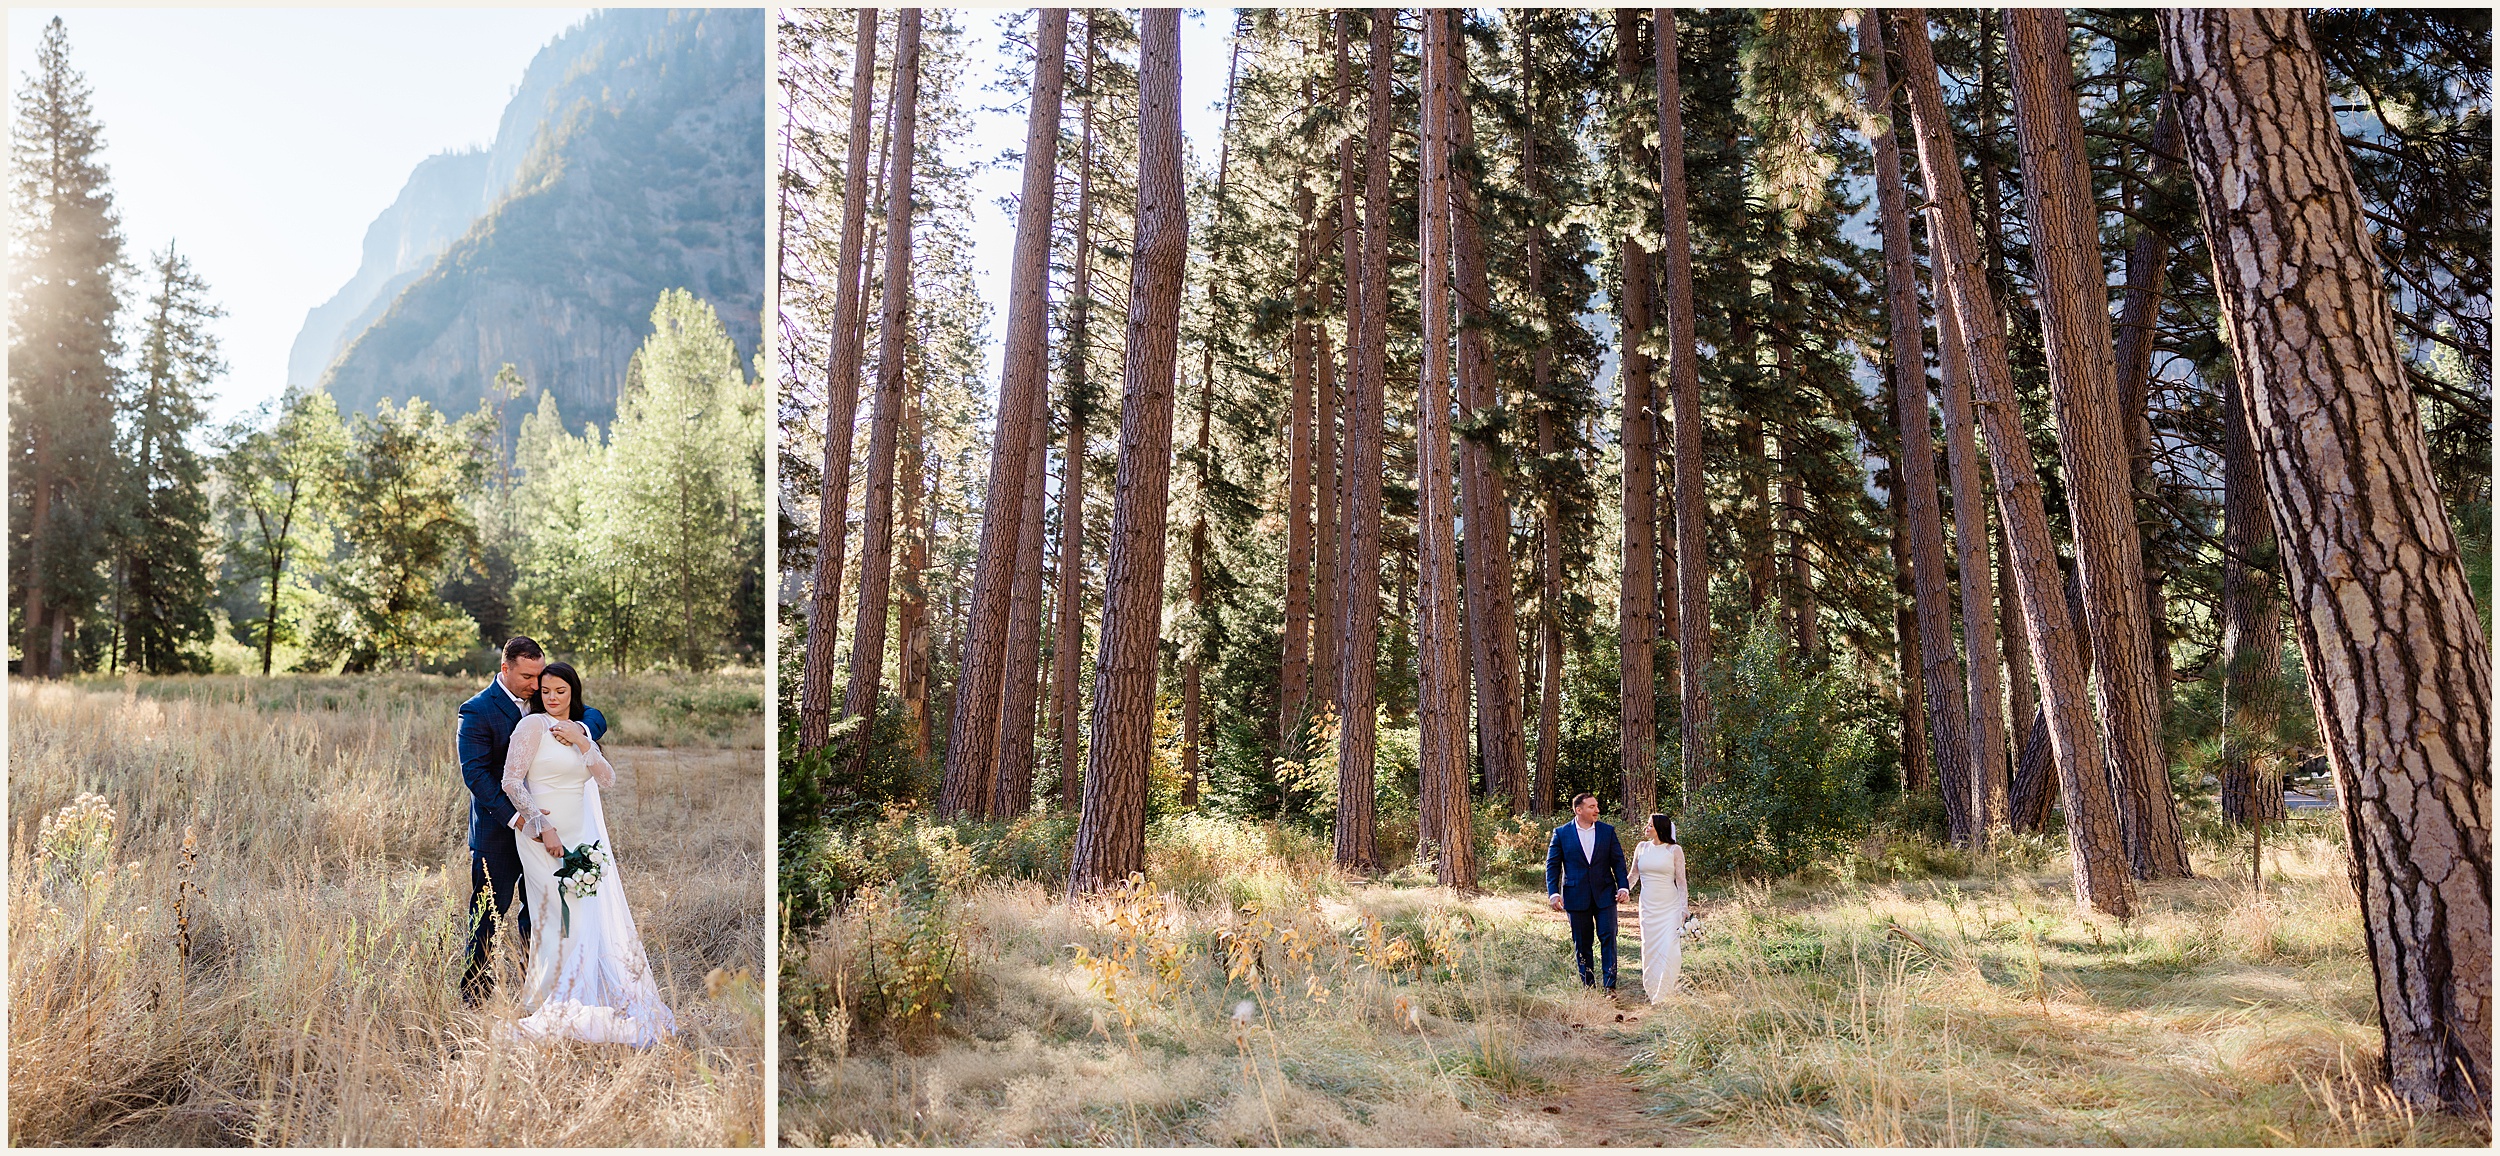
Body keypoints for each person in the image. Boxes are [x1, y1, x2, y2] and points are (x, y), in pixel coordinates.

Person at [499, 661, 675, 1046]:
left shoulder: (580, 730)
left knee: (581, 916)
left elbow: (607, 779)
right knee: (552, 916)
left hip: (581, 837)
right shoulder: (532, 726)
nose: (552, 698)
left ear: (572, 693)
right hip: (542, 835)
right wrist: (541, 826)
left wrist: (583, 741)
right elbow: (510, 780)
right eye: (545, 692)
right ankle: (545, 999)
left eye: (560, 692)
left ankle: (578, 994)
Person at [457, 637, 608, 1004]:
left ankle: (536, 989)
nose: (535, 685)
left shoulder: (548, 698)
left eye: (540, 675)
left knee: (542, 911)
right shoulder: (477, 710)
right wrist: (522, 821)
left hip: (558, 831)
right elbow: (477, 776)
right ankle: (475, 995)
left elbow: (594, 715)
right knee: (490, 913)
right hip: (501, 830)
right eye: (527, 677)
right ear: (505, 669)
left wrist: (580, 733)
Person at [1546, 792, 1631, 993]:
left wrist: (1623, 886)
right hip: (1576, 896)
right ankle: (1589, 987)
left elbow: (1618, 862)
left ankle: (1610, 986)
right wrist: (1553, 893)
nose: (1597, 810)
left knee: (1609, 937)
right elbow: (1553, 866)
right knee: (1582, 943)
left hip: (1605, 895)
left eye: (1596, 806)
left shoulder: (1607, 832)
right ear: (1579, 810)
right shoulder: (1561, 833)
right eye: (1592, 806)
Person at [1630, 812, 1688, 1002]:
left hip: (1669, 906)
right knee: (1650, 947)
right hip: (1648, 906)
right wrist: (1621, 891)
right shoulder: (1641, 848)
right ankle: (1652, 988)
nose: (1646, 828)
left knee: (1670, 948)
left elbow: (1681, 881)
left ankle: (1664, 992)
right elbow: (1633, 876)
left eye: (1650, 826)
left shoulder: (1674, 850)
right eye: (1647, 825)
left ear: (1660, 829)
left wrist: (1683, 907)